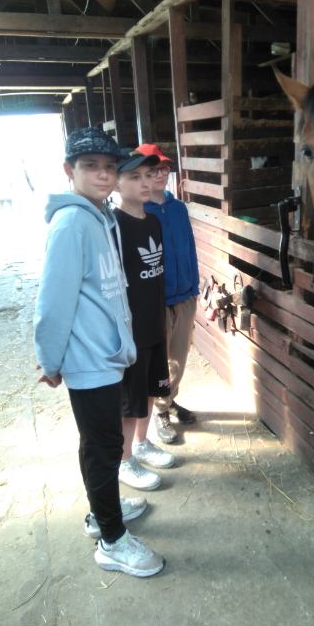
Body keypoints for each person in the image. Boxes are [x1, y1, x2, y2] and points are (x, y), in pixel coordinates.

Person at [33, 127, 164, 578]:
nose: (103, 175)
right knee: (103, 446)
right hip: (88, 360)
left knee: (102, 444)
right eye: (91, 166)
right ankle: (112, 539)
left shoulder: (99, 216)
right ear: (69, 171)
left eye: (109, 167)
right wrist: (50, 361)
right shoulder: (71, 224)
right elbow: (53, 304)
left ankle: (102, 511)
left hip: (107, 355)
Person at [113, 149, 176, 490]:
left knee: (152, 387)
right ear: (117, 184)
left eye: (148, 176)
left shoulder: (152, 221)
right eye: (134, 177)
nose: (145, 183)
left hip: (154, 319)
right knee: (130, 398)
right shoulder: (114, 226)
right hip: (130, 326)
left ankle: (141, 442)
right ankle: (124, 461)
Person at [136, 143, 200, 444]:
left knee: (178, 359)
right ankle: (160, 412)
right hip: (156, 302)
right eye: (152, 170)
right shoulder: (138, 212)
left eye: (163, 168)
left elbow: (189, 248)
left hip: (185, 296)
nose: (160, 174)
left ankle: (167, 401)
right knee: (158, 362)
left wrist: (194, 288)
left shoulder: (178, 208)